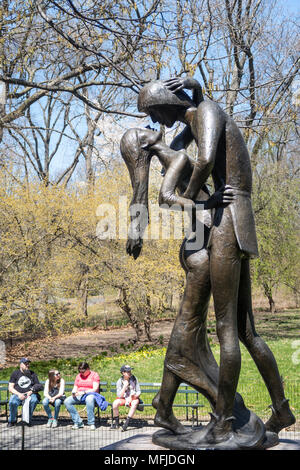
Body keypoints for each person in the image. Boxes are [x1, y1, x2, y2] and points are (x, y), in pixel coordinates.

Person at [134, 77, 295, 447]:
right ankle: (282, 409)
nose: (156, 120)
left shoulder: (206, 111)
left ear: (165, 105)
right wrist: (160, 148)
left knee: (226, 331)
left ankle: (222, 423)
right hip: (238, 218)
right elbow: (180, 149)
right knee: (245, 331)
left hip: (228, 218)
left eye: (155, 112)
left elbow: (204, 159)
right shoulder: (198, 115)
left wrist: (189, 199)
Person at [64, 362, 100, 430]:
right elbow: (75, 386)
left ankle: (91, 423)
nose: (81, 373)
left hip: (91, 394)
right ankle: (78, 422)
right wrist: (73, 392)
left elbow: (95, 389)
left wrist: (83, 392)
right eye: (80, 372)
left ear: (88, 369)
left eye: (83, 372)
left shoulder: (95, 375)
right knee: (67, 401)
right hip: (79, 394)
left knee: (89, 399)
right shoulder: (78, 376)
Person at [8, 358, 43, 427]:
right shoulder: (15, 373)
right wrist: (19, 394)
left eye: (28, 363)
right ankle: (12, 420)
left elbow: (39, 385)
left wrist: (31, 391)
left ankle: (27, 420)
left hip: (30, 394)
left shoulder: (32, 374)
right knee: (12, 402)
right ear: (20, 365)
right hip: (17, 394)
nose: (27, 365)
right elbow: (10, 388)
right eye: (25, 363)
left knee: (34, 400)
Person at [111, 365, 142, 431]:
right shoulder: (120, 381)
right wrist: (125, 386)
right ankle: (116, 424)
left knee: (135, 402)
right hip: (124, 398)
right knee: (115, 403)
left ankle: (126, 424)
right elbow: (119, 395)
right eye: (128, 372)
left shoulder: (134, 379)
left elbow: (138, 390)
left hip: (132, 397)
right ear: (123, 373)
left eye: (130, 371)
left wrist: (136, 395)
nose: (130, 372)